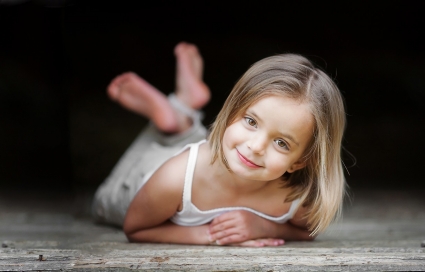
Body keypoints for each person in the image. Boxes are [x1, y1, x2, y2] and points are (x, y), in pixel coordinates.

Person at [92, 42, 347, 247]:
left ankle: (181, 114)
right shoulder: (174, 178)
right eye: (251, 121)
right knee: (105, 200)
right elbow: (136, 228)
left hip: (212, 154)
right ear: (231, 110)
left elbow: (309, 233)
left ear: (301, 161)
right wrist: (210, 235)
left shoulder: (294, 198)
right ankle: (174, 117)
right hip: (144, 181)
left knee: (215, 142)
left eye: (281, 143)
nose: (257, 146)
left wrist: (263, 226)